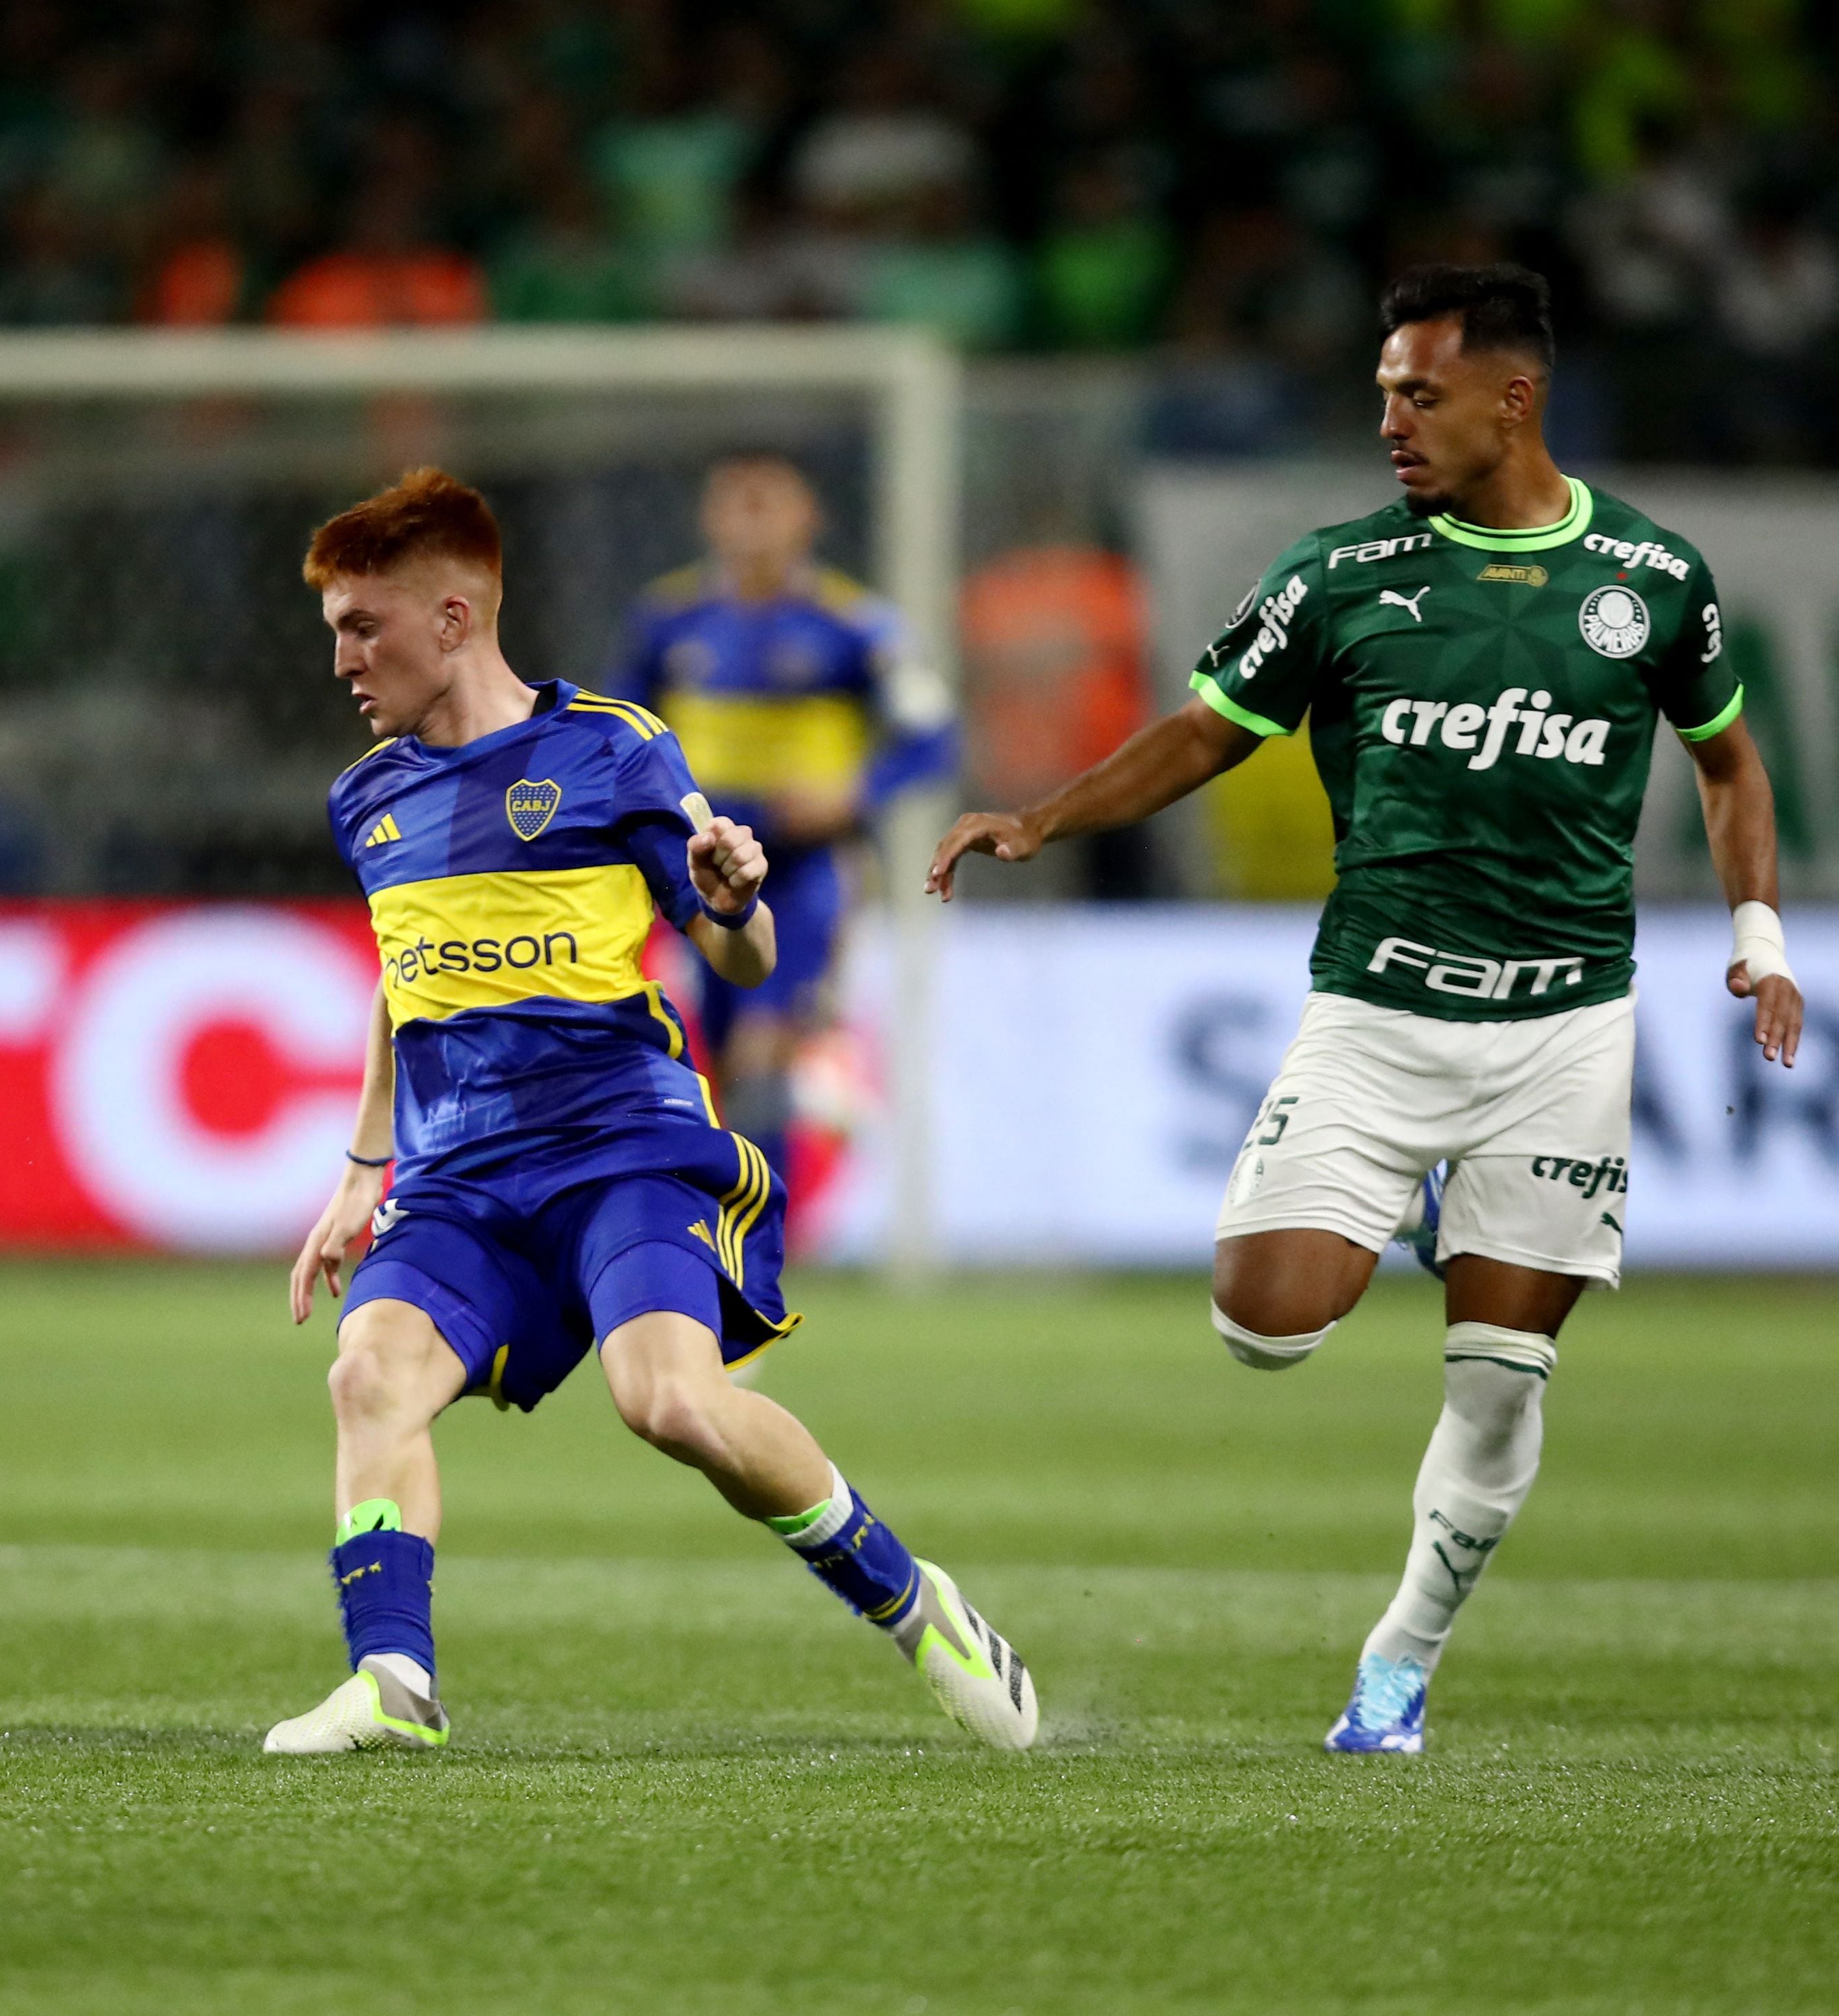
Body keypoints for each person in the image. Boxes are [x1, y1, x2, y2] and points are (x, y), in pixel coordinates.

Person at [929, 264, 1804, 1754]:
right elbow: (1208, 727)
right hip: (1380, 1013)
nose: (1390, 417)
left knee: (1495, 1384)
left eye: (1422, 391)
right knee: (1262, 1324)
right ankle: (1414, 1209)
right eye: (1384, 390)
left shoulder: (1652, 580)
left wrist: (1760, 933)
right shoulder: (1341, 577)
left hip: (1566, 1029)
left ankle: (1397, 1664)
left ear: (1514, 399)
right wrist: (1042, 819)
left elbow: (1726, 761)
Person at [273, 468, 1035, 1756]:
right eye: (335, 630)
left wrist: (733, 902)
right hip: (462, 1176)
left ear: (453, 620)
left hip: (621, 1146)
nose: (343, 659)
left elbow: (738, 955)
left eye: (366, 626)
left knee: (670, 1404)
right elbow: (404, 983)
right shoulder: (368, 798)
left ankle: (921, 1605)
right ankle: (395, 1682)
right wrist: (363, 1165)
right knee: (368, 1371)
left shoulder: (612, 748)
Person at [613, 453, 954, 1185]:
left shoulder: (857, 626)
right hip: (700, 867)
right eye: (739, 504)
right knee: (729, 1053)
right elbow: (618, 730)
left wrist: (853, 793)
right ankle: (755, 1207)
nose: (754, 524)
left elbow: (932, 740)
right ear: (711, 519)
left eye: (771, 505)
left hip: (807, 865)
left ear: (809, 519)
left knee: (767, 1044)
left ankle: (760, 1246)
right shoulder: (668, 619)